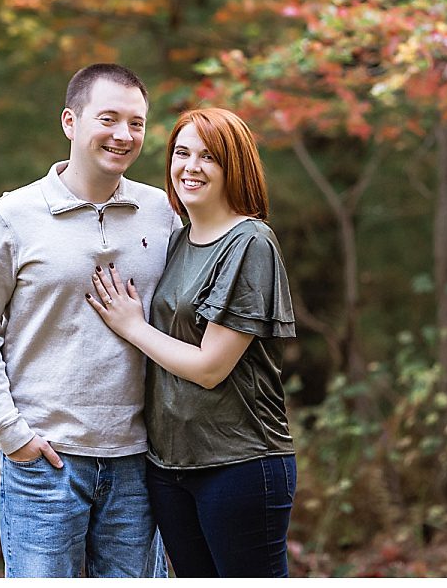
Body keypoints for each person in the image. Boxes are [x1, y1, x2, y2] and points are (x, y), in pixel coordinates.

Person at [0, 63, 176, 577]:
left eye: (137, 123)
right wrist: (11, 434)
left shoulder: (162, 212)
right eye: (109, 119)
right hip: (46, 462)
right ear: (70, 122)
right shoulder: (11, 218)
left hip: (138, 462)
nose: (124, 135)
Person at [86, 107, 298, 577]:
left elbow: (210, 367)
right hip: (170, 467)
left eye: (209, 157)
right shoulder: (178, 241)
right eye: (182, 153)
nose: (191, 167)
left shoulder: (250, 243)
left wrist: (132, 325)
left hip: (239, 463)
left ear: (234, 167)